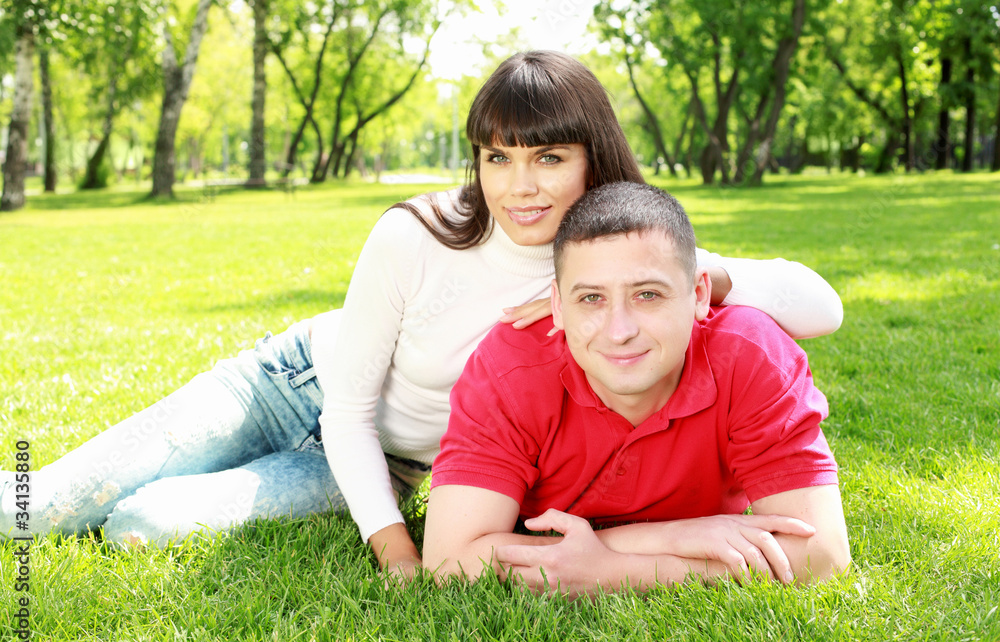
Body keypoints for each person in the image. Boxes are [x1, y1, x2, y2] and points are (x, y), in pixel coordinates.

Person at [0, 52, 842, 579]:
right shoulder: (417, 233)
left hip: (394, 464)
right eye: (498, 157)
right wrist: (394, 550)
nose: (522, 185)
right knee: (44, 502)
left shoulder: (622, 253)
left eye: (550, 156)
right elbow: (352, 410)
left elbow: (821, 304)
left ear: (594, 156)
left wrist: (707, 276)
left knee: (142, 523)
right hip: (295, 388)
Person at [423, 181, 851, 595]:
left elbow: (822, 554)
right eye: (591, 298)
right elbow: (449, 560)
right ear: (557, 306)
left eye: (648, 295)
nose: (619, 331)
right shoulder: (511, 365)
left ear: (700, 293)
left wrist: (612, 566)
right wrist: (674, 539)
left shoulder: (751, 354)